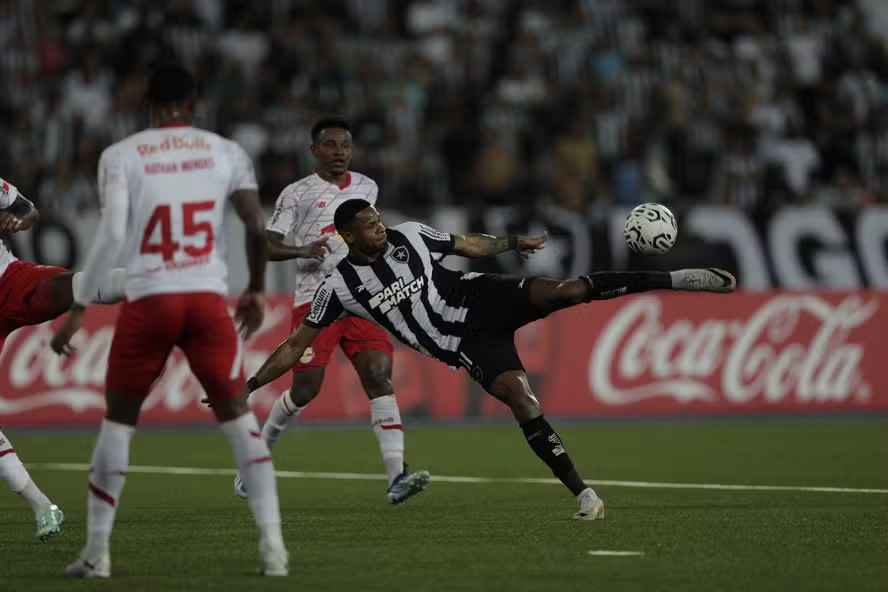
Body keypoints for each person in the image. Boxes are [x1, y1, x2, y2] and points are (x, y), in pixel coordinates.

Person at [245, 199, 737, 520]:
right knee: (521, 400)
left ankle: (677, 279)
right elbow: (294, 345)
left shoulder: (412, 235)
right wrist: (248, 386)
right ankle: (584, 494)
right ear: (349, 237)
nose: (380, 228)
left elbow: (466, 245)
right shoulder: (340, 287)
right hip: (465, 344)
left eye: (378, 219)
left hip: (482, 297)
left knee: (566, 291)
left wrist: (510, 244)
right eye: (370, 226)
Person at [50, 64, 288, 578]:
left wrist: (77, 308)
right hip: (205, 301)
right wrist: (256, 289)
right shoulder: (226, 152)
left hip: (150, 300)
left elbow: (112, 235)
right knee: (241, 425)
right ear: (195, 103)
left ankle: (97, 553)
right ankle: (274, 550)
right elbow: (255, 223)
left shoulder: (122, 155)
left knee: (118, 425)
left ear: (148, 105)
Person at [242, 116, 428, 504]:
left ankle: (397, 476)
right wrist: (303, 250)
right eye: (330, 145)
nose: (339, 151)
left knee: (379, 375)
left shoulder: (367, 187)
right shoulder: (296, 194)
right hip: (317, 299)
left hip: (363, 298)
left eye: (345, 145)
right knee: (306, 390)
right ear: (314, 150)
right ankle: (254, 458)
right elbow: (268, 245)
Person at [0, 176, 126, 542]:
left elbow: (28, 210)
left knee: (70, 286)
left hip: (9, 280)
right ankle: (42, 506)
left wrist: (18, 220)